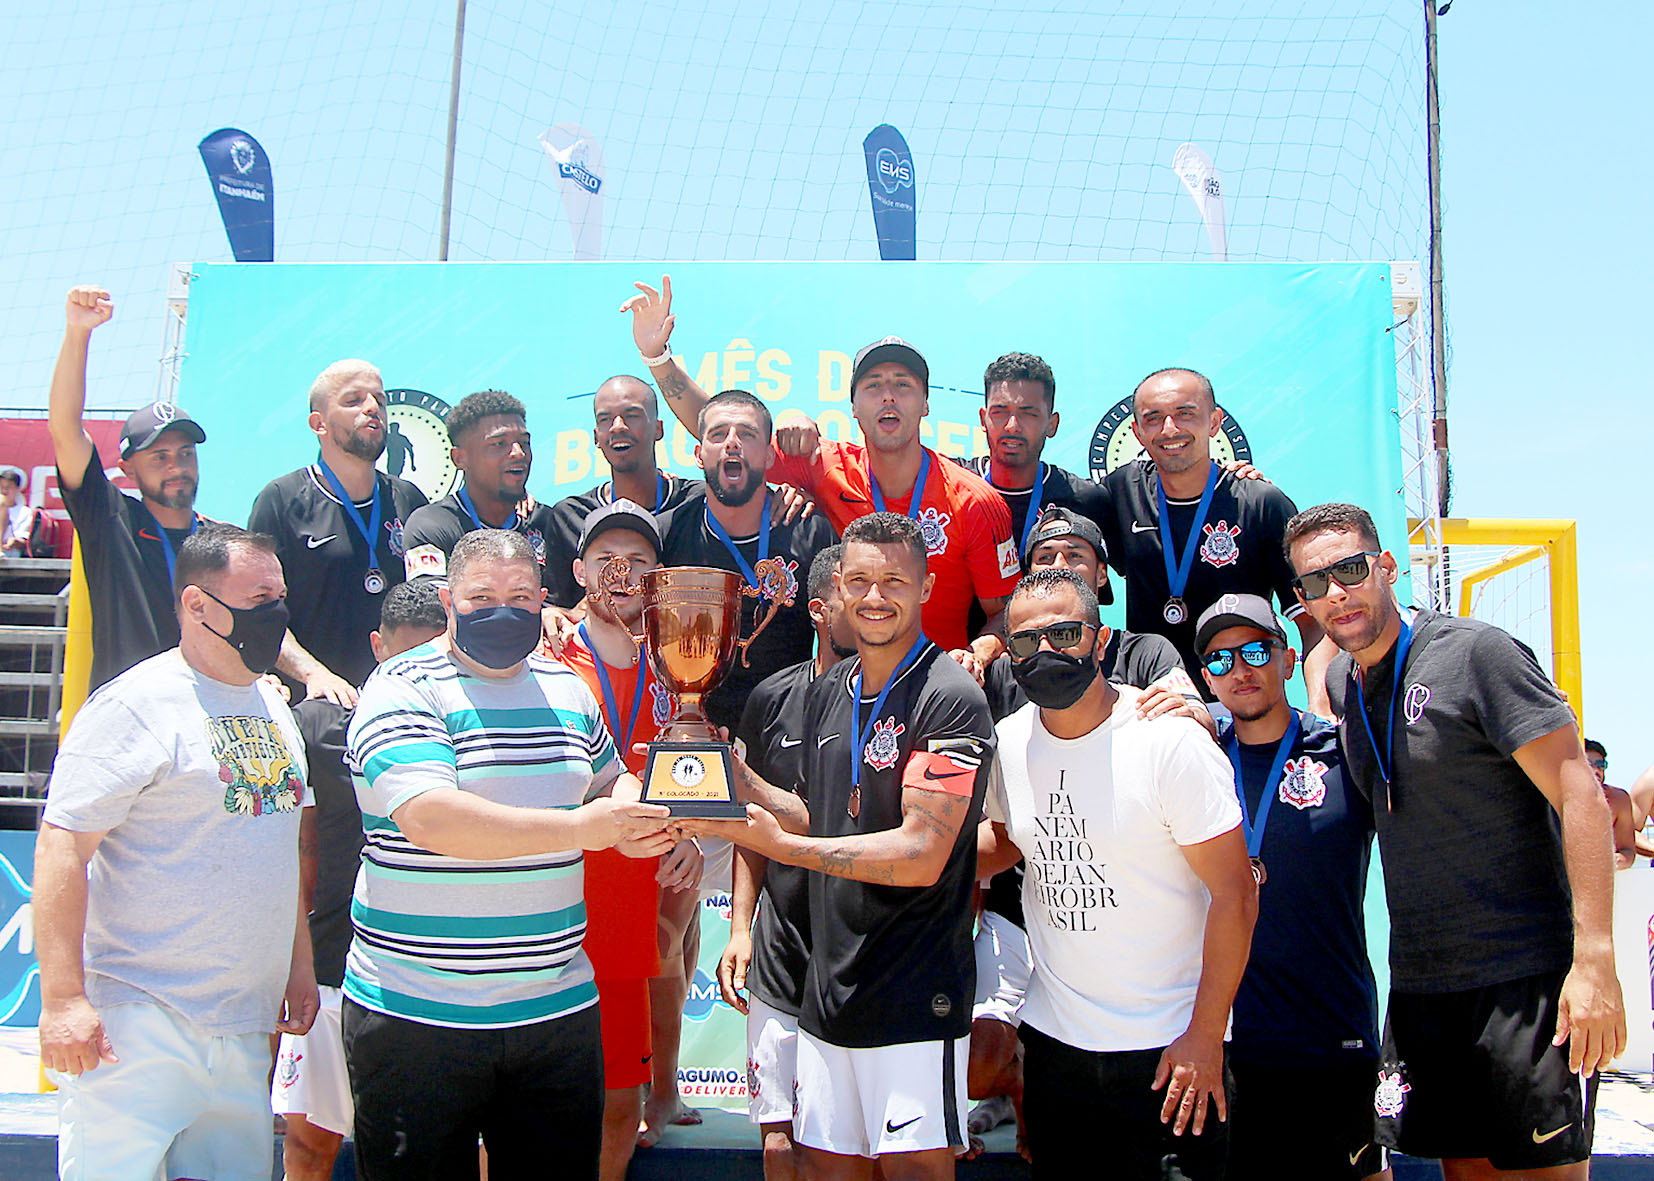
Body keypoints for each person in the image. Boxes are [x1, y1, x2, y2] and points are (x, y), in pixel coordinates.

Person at [1286, 502, 1625, 1179]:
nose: (1338, 592)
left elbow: (1580, 794)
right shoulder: (1341, 682)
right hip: (1423, 988)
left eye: (1351, 569)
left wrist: (1594, 960)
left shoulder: (1476, 653)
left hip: (1524, 978)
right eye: (1317, 583)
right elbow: (1323, 661)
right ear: (1302, 600)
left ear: (1386, 567)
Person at [341, 530, 678, 1177]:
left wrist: (643, 808)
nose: (503, 607)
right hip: (419, 1014)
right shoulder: (403, 687)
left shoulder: (566, 689)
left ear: (544, 597)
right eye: (482, 595)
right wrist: (583, 828)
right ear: (449, 600)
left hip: (554, 1015)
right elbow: (433, 818)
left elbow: (608, 779)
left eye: (520, 595)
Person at [687, 512, 997, 1178]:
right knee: (827, 1170)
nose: (875, 595)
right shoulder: (832, 689)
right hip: (827, 991)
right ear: (839, 588)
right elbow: (815, 817)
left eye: (893, 580)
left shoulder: (951, 696)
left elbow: (921, 853)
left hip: (915, 993)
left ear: (926, 586)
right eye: (859, 579)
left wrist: (787, 848)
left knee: (913, 1172)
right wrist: (739, 781)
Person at [35, 525, 319, 1178]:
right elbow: (60, 844)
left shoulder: (274, 708)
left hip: (244, 1029)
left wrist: (296, 963)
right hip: (136, 1027)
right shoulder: (136, 704)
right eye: (258, 596)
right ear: (198, 605)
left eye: (279, 594)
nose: (275, 611)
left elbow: (280, 847)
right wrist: (62, 999)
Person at [977, 567, 1256, 1179]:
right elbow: (1005, 841)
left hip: (1172, 1055)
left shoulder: (1169, 742)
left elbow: (1235, 895)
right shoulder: (1007, 743)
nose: (1045, 652)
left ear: (1101, 643)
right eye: (1025, 642)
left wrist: (1207, 1037)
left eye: (1066, 634)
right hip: (1057, 1053)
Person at [625, 276, 1020, 668]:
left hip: (937, 694)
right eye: (873, 385)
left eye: (903, 385)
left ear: (926, 404)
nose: (888, 395)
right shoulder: (822, 464)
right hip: (847, 692)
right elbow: (727, 434)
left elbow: (1006, 613)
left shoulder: (976, 501)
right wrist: (658, 358)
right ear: (852, 407)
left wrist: (978, 654)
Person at [1194, 593, 1388, 1181]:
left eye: (1255, 650)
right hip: (1222, 1043)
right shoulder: (1191, 756)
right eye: (1222, 660)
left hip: (1331, 1035)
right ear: (1207, 676)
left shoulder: (1345, 749)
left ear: (1285, 659)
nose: (1241, 669)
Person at [272, 580, 448, 1181]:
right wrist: (294, 966)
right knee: (308, 1147)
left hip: (437, 972)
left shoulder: (477, 723)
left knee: (439, 1151)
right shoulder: (315, 724)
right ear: (377, 647)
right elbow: (296, 853)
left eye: (433, 656)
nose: (418, 673)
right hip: (331, 969)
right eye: (405, 658)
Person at [562, 500, 707, 1170]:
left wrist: (685, 830)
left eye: (640, 561)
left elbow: (686, 767)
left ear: (657, 578)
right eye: (605, 559)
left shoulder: (678, 662)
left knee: (620, 1099)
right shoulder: (543, 651)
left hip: (633, 888)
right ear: (578, 570)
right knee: (537, 1101)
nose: (622, 573)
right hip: (554, 888)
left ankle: (665, 1091)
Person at [719, 544, 853, 1181]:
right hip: (783, 937)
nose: (879, 601)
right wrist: (741, 925)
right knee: (779, 1139)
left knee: (850, 1143)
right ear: (821, 609)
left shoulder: (920, 696)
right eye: (859, 587)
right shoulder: (770, 698)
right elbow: (753, 829)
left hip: (864, 943)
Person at [1096, 367, 1329, 713]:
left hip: (1243, 709)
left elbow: (1313, 623)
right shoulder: (1119, 494)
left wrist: (1321, 708)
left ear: (1215, 421)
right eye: (1154, 418)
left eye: (1185, 414)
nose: (1170, 429)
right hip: (1154, 710)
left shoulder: (1261, 503)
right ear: (1137, 432)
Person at [46, 285, 215, 690]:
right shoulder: (109, 520)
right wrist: (77, 332)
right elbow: (65, 429)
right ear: (128, 470)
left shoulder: (222, 542)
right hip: (127, 723)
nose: (176, 466)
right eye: (159, 457)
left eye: (185, 452)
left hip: (205, 716)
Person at [249, 358, 428, 708]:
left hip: (404, 710)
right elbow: (257, 613)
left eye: (380, 400)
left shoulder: (409, 499)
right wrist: (315, 675)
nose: (373, 408)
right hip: (315, 710)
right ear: (319, 423)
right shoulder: (281, 500)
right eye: (354, 400)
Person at [660, 388, 840, 735]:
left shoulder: (809, 530)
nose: (732, 443)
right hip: (692, 730)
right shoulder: (669, 532)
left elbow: (842, 641)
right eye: (717, 434)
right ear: (698, 454)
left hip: (788, 731)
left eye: (747, 434)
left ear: (770, 456)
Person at [542, 374, 703, 609]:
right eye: (605, 419)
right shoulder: (570, 515)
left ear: (658, 429)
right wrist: (552, 616)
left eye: (632, 416)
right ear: (596, 437)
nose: (618, 427)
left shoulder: (696, 502)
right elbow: (559, 608)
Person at [401, 389, 557, 586]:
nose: (518, 453)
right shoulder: (431, 526)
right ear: (460, 458)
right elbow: (433, 611)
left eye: (524, 442)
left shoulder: (547, 522)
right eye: (499, 443)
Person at [1583, 739, 1636, 869]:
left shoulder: (1618, 799)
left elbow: (1628, 851)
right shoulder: (1554, 797)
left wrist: (1616, 861)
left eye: (1600, 764)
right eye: (1589, 764)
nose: (1596, 770)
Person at [1, 464, 36, 556]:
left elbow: (23, 540)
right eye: (1, 487)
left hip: (11, 558)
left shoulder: (24, 512)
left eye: (8, 487)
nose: (4, 491)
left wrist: (14, 542)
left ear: (17, 489)